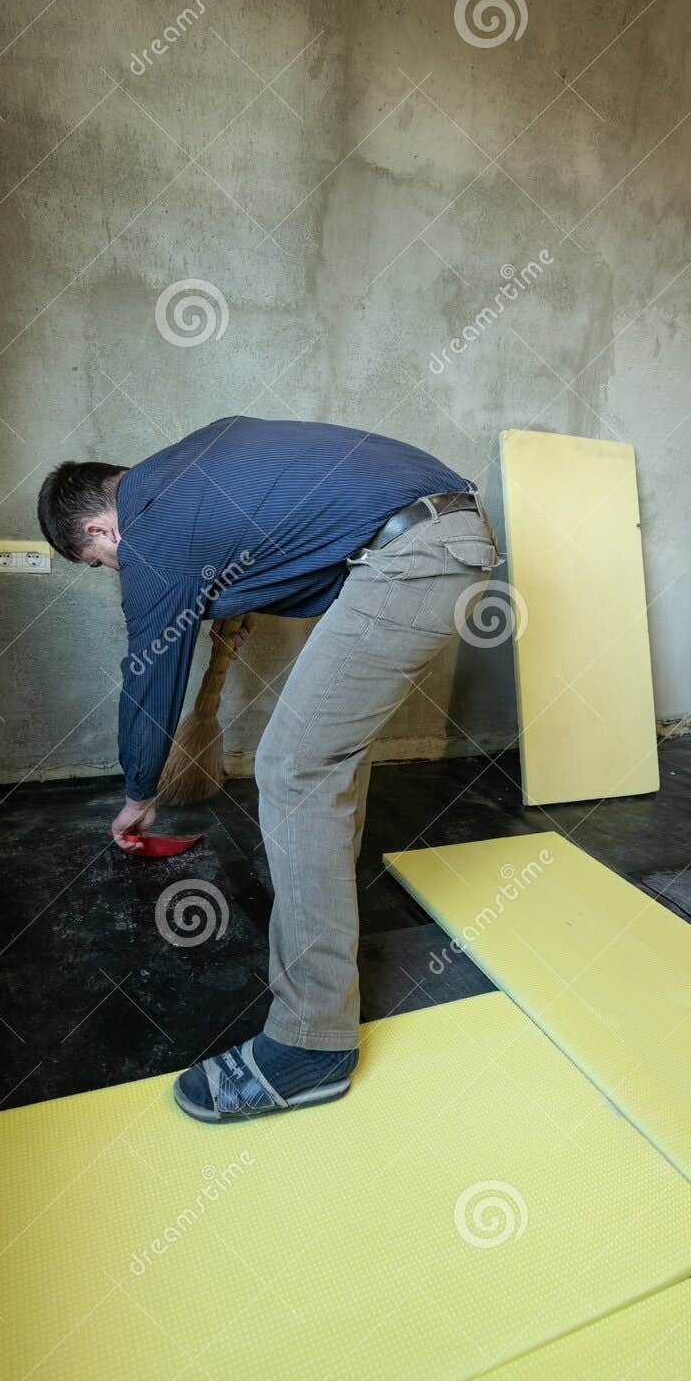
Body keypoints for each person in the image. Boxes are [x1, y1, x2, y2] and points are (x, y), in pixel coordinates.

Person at [37, 416, 499, 1123]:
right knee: (326, 758)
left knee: (293, 769)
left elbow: (149, 673)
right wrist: (242, 594)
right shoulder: (184, 470)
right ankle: (324, 934)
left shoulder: (150, 531)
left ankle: (311, 1044)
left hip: (415, 553)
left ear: (99, 531)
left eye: (100, 564)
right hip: (436, 531)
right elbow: (313, 537)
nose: (114, 572)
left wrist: (138, 791)